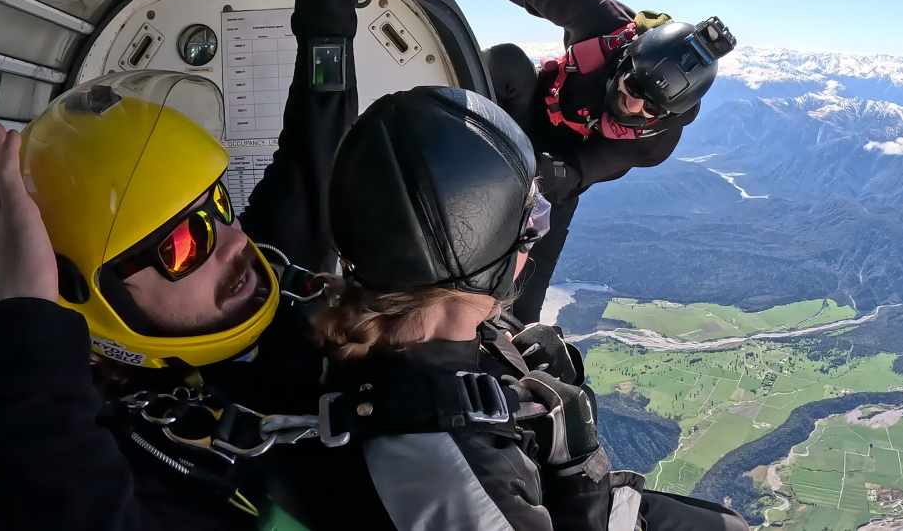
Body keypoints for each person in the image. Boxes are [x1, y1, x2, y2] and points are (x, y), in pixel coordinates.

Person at [0, 0, 384, 529]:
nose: (235, 240)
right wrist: (27, 331)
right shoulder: (71, 445)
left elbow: (317, 139)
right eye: (182, 243)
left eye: (216, 206)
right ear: (88, 294)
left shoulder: (258, 271)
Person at [266, 85, 747, 530]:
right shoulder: (455, 475)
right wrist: (581, 480)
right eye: (529, 220)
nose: (535, 234)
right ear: (475, 249)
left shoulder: (339, 325)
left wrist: (498, 361)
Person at [465, 0, 737, 324]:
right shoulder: (601, 20)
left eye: (650, 107)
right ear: (626, 58)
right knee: (507, 63)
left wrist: (539, 181)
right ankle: (450, 139)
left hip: (561, 172)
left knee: (521, 309)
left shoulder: (654, 142)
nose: (634, 103)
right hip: (525, 110)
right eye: (633, 86)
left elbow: (574, 174)